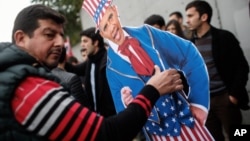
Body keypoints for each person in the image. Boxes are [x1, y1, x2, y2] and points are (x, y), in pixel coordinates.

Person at [0, 4, 185, 141]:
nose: (60, 43)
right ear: (21, 38)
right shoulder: (29, 87)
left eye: (61, 36)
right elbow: (105, 134)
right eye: (49, 35)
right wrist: (152, 90)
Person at [83, 0, 213, 140]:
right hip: (158, 135)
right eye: (105, 27)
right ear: (102, 34)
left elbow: (188, 53)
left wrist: (199, 103)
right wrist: (129, 104)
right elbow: (124, 121)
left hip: (189, 123)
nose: (112, 27)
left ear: (115, 10)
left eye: (110, 17)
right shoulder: (111, 70)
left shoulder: (148, 33)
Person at [185, 1, 250, 141]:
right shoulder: (189, 45)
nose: (187, 20)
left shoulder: (224, 37)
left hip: (225, 98)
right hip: (204, 103)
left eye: (190, 16)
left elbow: (242, 67)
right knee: (213, 137)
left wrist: (233, 95)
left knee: (239, 134)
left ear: (203, 17)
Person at [65, 27, 116, 117]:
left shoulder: (109, 60)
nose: (82, 45)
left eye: (85, 41)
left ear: (95, 42)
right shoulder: (90, 61)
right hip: (96, 116)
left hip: (112, 116)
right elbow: (74, 69)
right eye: (81, 42)